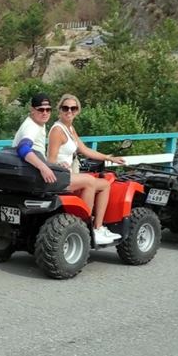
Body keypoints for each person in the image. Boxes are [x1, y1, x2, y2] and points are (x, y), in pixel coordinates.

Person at [46, 94, 125, 244]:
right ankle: (85, 227)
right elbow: (50, 160)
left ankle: (98, 227)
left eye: (73, 108)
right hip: (59, 176)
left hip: (68, 175)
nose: (69, 111)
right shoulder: (57, 130)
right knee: (89, 180)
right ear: (59, 110)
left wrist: (109, 157)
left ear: (77, 111)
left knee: (105, 184)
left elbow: (85, 150)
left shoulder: (69, 129)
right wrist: (59, 166)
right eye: (65, 108)